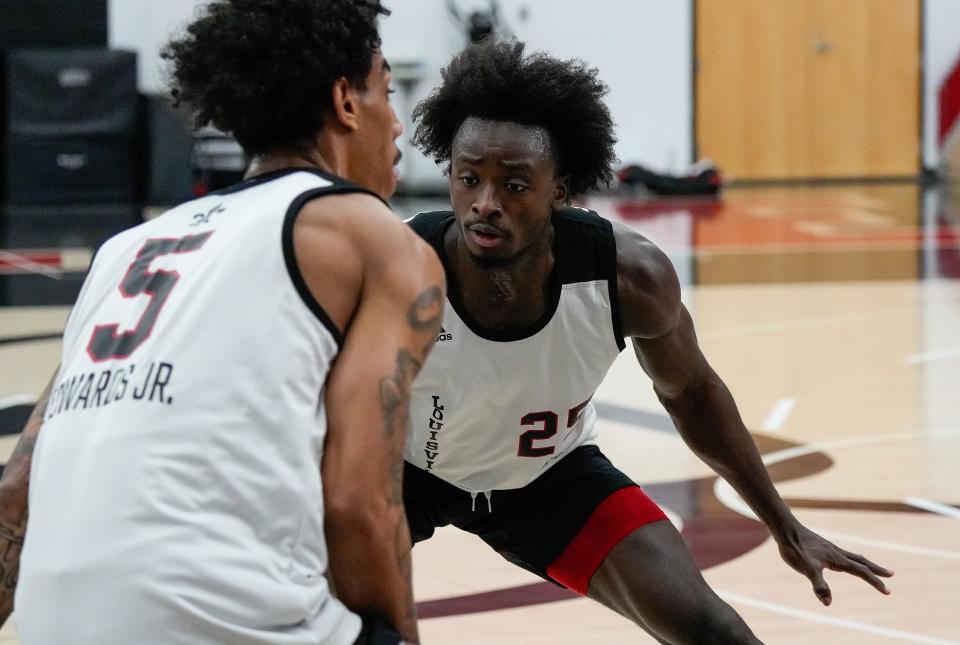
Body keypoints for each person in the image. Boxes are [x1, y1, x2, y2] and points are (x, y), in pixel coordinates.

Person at [402, 40, 893, 644]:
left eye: (514, 186)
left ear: (562, 189)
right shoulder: (398, 266)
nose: (485, 204)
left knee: (718, 634)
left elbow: (692, 393)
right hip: (401, 476)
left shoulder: (628, 277)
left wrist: (784, 525)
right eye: (468, 178)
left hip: (546, 481)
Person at [0, 1, 444, 643]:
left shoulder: (126, 249)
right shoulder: (372, 236)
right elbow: (358, 504)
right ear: (346, 101)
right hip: (225, 621)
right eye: (385, 91)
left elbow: (18, 486)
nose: (398, 124)